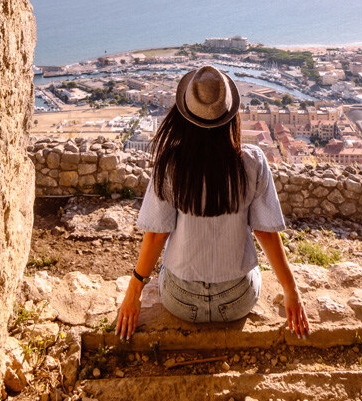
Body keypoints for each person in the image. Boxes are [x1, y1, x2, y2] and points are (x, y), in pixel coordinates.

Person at [115, 65, 310, 340]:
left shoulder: (171, 164)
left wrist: (134, 291)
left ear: (183, 115)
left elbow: (157, 235)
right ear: (230, 115)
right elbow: (265, 232)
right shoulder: (252, 161)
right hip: (237, 299)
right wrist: (291, 290)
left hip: (180, 300)